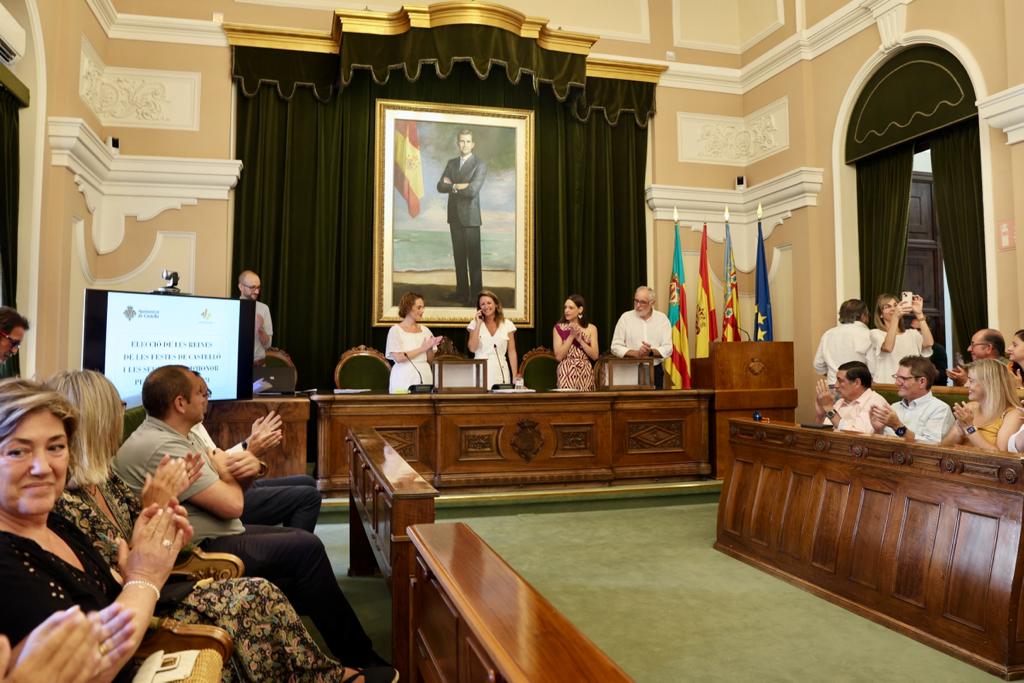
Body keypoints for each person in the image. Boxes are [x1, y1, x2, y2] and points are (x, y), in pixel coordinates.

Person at [46, 369, 371, 682]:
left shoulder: (106, 477)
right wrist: (163, 505)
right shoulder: (79, 493)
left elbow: (146, 526)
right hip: (167, 578)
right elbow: (227, 505)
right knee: (300, 552)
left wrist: (161, 505)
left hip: (168, 566)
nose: (122, 414)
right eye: (115, 407)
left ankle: (320, 667)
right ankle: (343, 663)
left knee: (284, 565)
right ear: (98, 421)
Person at [0, 377, 187, 682]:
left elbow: (109, 596)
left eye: (56, 447)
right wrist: (145, 578)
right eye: (18, 452)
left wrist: (135, 561)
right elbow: (93, 670)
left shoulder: (55, 523)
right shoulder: (7, 561)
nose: (43, 467)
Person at [188, 389, 321, 533]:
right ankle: (296, 546)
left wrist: (248, 443)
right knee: (309, 497)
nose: (207, 397)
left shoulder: (196, 424)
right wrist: (251, 450)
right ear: (180, 402)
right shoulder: (180, 436)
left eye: (206, 392)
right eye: (200, 392)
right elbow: (217, 468)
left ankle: (292, 541)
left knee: (307, 481)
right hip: (224, 494)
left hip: (229, 482)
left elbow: (218, 458)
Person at [436, 129, 487, 305]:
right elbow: (440, 186)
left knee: (473, 260)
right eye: (461, 141)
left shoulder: (480, 164)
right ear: (458, 143)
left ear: (472, 144)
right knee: (459, 257)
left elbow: (473, 190)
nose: (464, 144)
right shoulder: (451, 163)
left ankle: (476, 296)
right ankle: (462, 293)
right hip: (454, 217)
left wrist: (452, 185)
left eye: (467, 141)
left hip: (471, 218)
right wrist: (459, 186)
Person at [941, 358, 1024, 451]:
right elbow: (942, 448)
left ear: (988, 384)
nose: (966, 385)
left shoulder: (1013, 414)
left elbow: (1001, 456)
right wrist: (959, 430)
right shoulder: (971, 407)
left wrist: (969, 428)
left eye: (971, 381)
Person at [869, 355, 954, 443]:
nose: (897, 383)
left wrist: (898, 427)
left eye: (903, 378)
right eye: (897, 377)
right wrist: (878, 430)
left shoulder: (939, 409)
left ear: (922, 382)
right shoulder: (894, 407)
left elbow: (932, 446)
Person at [610, 286, 673, 388]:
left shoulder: (662, 319)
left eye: (642, 302)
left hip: (655, 370)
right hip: (630, 371)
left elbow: (668, 348)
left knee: (655, 403)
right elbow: (615, 346)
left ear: (652, 303)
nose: (638, 305)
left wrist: (650, 352)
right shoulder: (625, 318)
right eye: (636, 301)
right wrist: (636, 353)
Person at [867, 293, 933, 382]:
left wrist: (919, 314)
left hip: (911, 385)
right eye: (887, 307)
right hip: (887, 384)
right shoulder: (875, 333)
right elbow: (888, 347)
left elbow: (929, 343)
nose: (893, 309)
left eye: (895, 305)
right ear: (880, 315)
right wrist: (895, 317)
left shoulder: (912, 333)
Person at [386, 292, 442, 394]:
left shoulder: (425, 330)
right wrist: (423, 348)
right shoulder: (395, 330)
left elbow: (430, 360)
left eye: (423, 307)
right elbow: (399, 358)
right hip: (403, 378)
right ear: (408, 308)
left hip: (425, 376)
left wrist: (430, 347)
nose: (422, 311)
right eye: (419, 307)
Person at [813, 361, 888, 434]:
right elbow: (820, 434)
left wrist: (829, 408)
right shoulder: (841, 401)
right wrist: (820, 416)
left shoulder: (875, 402)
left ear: (857, 383)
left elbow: (857, 436)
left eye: (840, 381)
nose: (836, 385)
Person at [813, 299, 872, 386]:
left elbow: (818, 364)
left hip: (834, 385)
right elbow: (873, 367)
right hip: (857, 387)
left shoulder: (828, 334)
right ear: (863, 315)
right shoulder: (868, 334)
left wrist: (833, 374)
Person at [467, 290, 518, 387]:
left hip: (500, 371)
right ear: (479, 308)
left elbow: (512, 352)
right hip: (480, 370)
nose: (486, 306)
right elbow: (472, 348)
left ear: (496, 305)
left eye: (489, 303)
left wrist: (515, 376)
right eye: (482, 304)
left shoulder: (507, 324)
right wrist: (478, 324)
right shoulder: (474, 324)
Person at [553, 294, 599, 391]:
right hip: (566, 371)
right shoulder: (558, 328)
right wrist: (571, 336)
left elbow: (595, 356)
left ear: (580, 309)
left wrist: (580, 340)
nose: (566, 310)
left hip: (585, 371)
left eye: (571, 308)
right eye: (565, 307)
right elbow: (558, 357)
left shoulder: (591, 328)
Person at [238, 270, 273, 366]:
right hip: (236, 367)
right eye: (252, 287)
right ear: (241, 286)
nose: (257, 291)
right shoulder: (230, 308)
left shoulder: (264, 308)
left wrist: (260, 330)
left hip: (259, 366)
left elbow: (268, 345)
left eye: (258, 287)